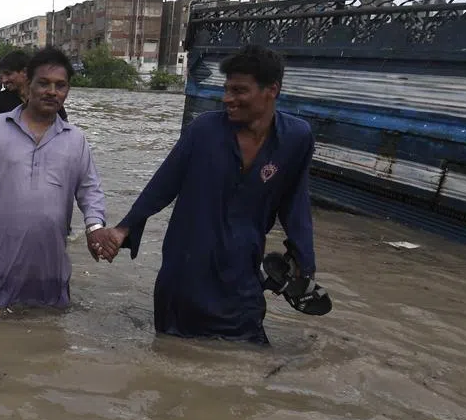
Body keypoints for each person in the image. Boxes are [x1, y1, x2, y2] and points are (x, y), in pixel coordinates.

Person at [90, 44, 317, 344]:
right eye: (226, 90)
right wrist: (123, 229)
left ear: (271, 89)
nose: (227, 99)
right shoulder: (204, 131)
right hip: (185, 273)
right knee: (172, 356)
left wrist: (304, 262)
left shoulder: (296, 138)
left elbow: (295, 203)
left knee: (248, 358)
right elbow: (163, 185)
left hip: (242, 274)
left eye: (239, 91)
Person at [0, 46, 107, 309]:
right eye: (43, 83)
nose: (52, 91)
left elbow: (90, 191)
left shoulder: (75, 140)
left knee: (46, 335)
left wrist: (95, 229)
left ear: (67, 91)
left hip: (46, 266)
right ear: (28, 85)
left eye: (60, 85)